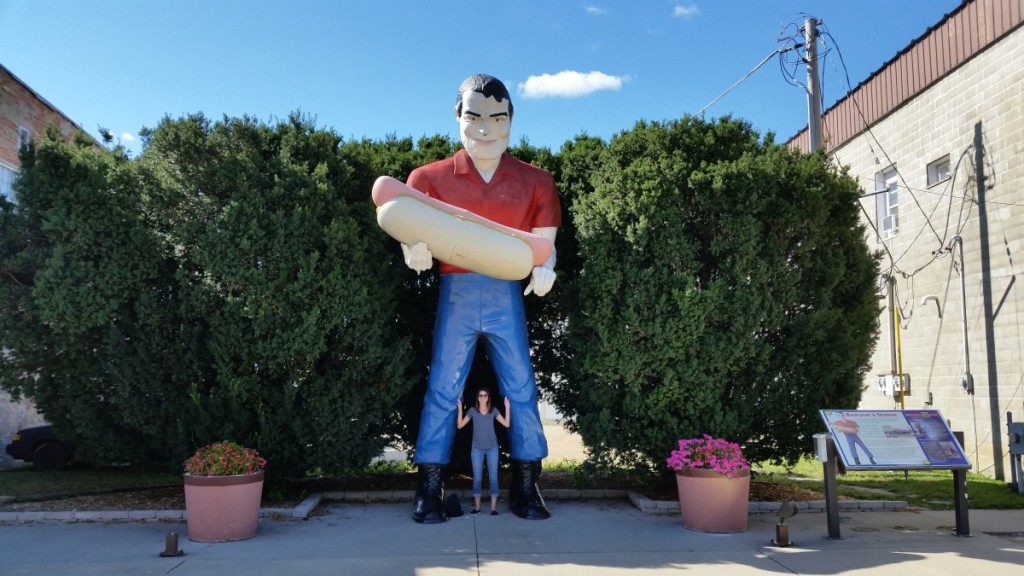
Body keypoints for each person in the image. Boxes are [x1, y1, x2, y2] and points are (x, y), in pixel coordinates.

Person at [401, 73, 561, 523]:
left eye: (497, 117)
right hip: (457, 291)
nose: (485, 129)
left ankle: (527, 486)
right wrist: (413, 252)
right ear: (457, 117)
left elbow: (544, 245)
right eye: (473, 117)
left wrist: (545, 269)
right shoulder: (427, 179)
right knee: (442, 387)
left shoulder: (536, 182)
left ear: (512, 120)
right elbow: (411, 234)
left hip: (505, 292)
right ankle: (428, 488)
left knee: (521, 388)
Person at [457, 387, 511, 515]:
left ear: (488, 397)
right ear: (477, 397)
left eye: (485, 395)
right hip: (476, 449)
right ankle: (477, 508)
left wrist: (507, 408)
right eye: (480, 395)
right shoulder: (472, 411)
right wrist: (460, 410)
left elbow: (506, 424)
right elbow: (460, 425)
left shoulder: (493, 410)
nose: (482, 398)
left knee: (493, 478)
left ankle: (493, 509)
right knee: (477, 479)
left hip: (492, 448)